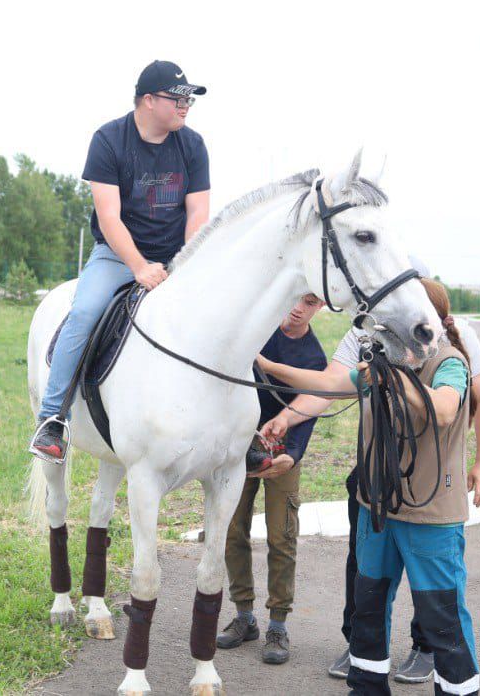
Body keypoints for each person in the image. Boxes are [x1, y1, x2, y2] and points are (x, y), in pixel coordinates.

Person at [259, 278, 480, 695]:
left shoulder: (450, 362)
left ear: (422, 322)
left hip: (430, 517)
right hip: (377, 507)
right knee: (367, 609)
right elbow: (326, 385)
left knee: (442, 618)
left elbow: (442, 408)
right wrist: (269, 371)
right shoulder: (383, 362)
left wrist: (397, 379)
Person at [29, 60, 210, 462]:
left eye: (189, 100)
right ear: (148, 100)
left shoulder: (193, 145)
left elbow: (198, 215)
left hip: (178, 257)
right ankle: (53, 418)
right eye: (177, 98)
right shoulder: (109, 140)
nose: (185, 106)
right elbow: (109, 218)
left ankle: (245, 427)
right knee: (85, 312)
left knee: (224, 311)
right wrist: (139, 267)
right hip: (117, 255)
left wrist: (187, 264)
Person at [216, 293, 330, 665]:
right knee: (234, 530)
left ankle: (278, 624)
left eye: (310, 302)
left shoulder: (314, 357)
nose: (299, 307)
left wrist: (291, 455)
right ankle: (244, 616)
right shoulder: (257, 333)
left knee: (282, 536)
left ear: (320, 307)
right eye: (297, 298)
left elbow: (309, 407)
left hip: (282, 453)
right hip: (238, 449)